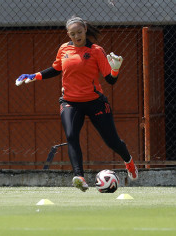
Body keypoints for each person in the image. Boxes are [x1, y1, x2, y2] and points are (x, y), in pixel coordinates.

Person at [15, 16, 138, 192]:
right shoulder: (64, 49)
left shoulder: (96, 50)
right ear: (68, 34)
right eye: (72, 34)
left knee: (112, 141)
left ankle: (129, 162)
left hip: (95, 102)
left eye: (79, 32)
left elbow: (110, 80)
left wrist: (116, 68)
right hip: (70, 102)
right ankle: (79, 177)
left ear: (85, 30)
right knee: (71, 136)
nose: (77, 36)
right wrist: (34, 75)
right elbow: (56, 68)